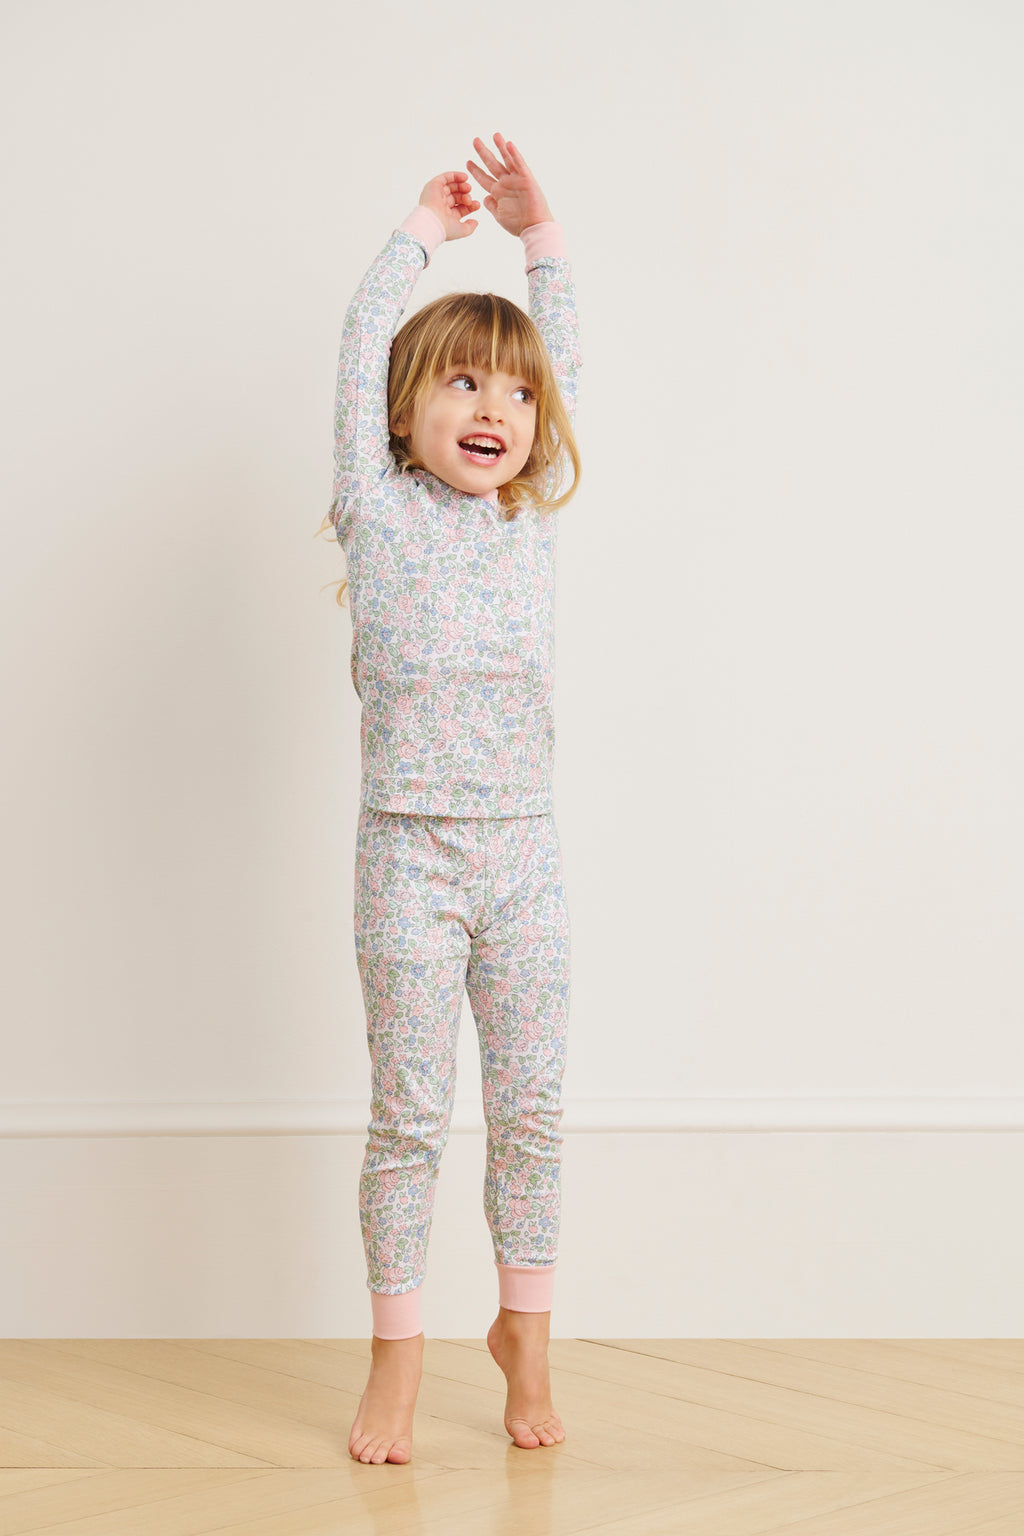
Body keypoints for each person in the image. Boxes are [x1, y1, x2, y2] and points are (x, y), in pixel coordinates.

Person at [322, 132, 582, 1464]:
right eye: (464, 384)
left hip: (521, 856)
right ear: (404, 409)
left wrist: (541, 241)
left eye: (517, 394)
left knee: (531, 1108)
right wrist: (417, 233)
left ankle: (524, 1342)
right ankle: (398, 1362)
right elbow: (365, 333)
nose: (497, 408)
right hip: (406, 858)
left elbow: (565, 361)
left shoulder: (526, 519)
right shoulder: (376, 507)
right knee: (411, 1116)